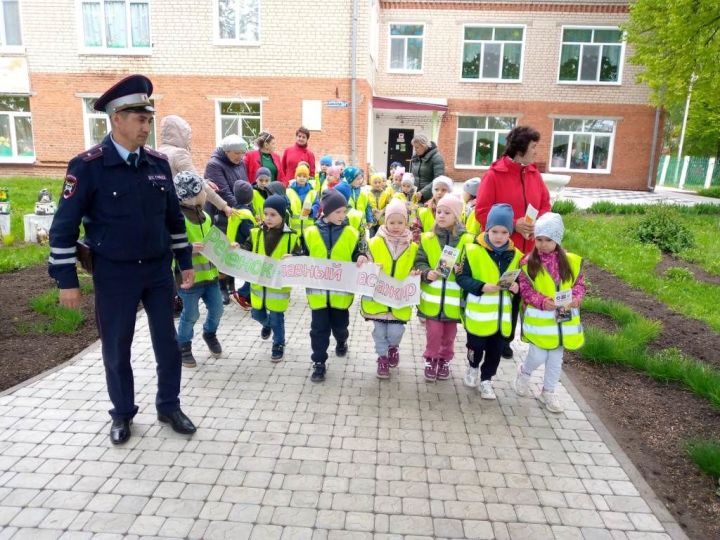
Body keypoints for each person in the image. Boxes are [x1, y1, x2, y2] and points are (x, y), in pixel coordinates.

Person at [48, 74, 196, 445]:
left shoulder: (159, 164)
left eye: (149, 119)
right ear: (116, 118)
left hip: (159, 272)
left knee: (168, 344)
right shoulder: (88, 166)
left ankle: (169, 405)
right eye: (140, 119)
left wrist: (185, 261)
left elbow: (174, 220)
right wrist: (66, 281)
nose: (147, 126)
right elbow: (62, 228)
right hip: (114, 274)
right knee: (117, 348)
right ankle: (123, 414)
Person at [475, 125, 552, 360]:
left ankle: (505, 338)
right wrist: (514, 224)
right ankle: (489, 333)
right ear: (520, 148)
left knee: (519, 292)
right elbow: (482, 211)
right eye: (534, 147)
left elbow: (545, 204)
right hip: (500, 248)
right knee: (500, 290)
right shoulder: (495, 174)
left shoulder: (534, 174)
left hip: (528, 248)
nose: (536, 152)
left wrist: (537, 225)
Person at [514, 212, 586, 413]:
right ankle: (524, 373)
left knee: (555, 359)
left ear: (558, 240)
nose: (543, 244)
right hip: (541, 319)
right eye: (539, 239)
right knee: (537, 355)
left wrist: (576, 298)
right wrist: (542, 301)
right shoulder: (528, 263)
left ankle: (548, 392)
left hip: (564, 320)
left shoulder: (571, 262)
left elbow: (579, 285)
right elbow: (526, 289)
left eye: (549, 240)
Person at [457, 204, 522, 399]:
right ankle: (472, 367)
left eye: (504, 232)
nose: (499, 236)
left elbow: (520, 282)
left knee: (495, 352)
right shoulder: (472, 250)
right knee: (475, 347)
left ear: (510, 233)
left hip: (502, 317)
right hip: (479, 315)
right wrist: (482, 287)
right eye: (494, 231)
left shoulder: (516, 255)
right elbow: (462, 278)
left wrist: (517, 288)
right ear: (487, 229)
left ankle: (487, 380)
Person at [304, 189, 368, 382]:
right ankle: (319, 362)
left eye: (344, 211)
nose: (343, 215)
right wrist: (293, 257)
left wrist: (361, 257)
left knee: (340, 326)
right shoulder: (310, 233)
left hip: (341, 294)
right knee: (319, 329)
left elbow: (357, 252)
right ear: (326, 211)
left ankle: (342, 339)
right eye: (338, 212)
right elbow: (302, 254)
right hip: (318, 295)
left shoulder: (351, 233)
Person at [414, 194, 474, 382]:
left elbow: (473, 266)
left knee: (449, 336)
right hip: (432, 301)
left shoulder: (468, 240)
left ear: (457, 216)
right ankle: (431, 359)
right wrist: (426, 273)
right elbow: (420, 261)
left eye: (447, 212)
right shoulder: (428, 238)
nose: (441, 215)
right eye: (439, 211)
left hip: (453, 302)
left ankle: (444, 360)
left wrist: (462, 270)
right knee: (433, 334)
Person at [361, 198, 418, 379]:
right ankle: (382, 357)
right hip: (377, 299)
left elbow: (416, 266)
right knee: (379, 332)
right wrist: (367, 262)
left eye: (400, 222)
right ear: (385, 221)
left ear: (406, 223)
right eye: (391, 222)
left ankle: (393, 347)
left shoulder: (413, 247)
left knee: (395, 332)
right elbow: (365, 261)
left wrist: (416, 273)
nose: (395, 226)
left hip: (399, 300)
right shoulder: (374, 242)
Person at [172, 171, 225, 369]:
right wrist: (188, 248)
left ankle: (209, 333)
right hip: (189, 280)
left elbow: (214, 242)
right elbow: (168, 244)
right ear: (193, 194)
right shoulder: (177, 219)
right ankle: (183, 345)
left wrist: (229, 248)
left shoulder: (207, 217)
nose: (206, 193)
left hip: (210, 276)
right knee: (191, 314)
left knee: (218, 310)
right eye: (204, 190)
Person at [241, 194, 302, 361]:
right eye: (266, 213)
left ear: (283, 216)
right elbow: (245, 248)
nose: (268, 218)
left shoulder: (292, 236)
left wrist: (293, 257)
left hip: (277, 288)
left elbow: (300, 255)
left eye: (273, 214)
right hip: (258, 288)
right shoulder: (255, 233)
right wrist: (236, 247)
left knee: (277, 318)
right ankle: (266, 324)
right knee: (256, 314)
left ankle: (278, 343)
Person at [158, 115, 237, 219]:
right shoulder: (179, 154)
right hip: (184, 210)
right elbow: (198, 184)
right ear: (181, 134)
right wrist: (224, 206)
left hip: (164, 209)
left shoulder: (159, 151)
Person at [204, 134, 250, 304]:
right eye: (236, 153)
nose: (240, 156)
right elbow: (223, 191)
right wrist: (240, 209)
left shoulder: (240, 163)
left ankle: (231, 284)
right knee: (222, 250)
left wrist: (247, 207)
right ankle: (221, 286)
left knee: (233, 248)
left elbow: (244, 185)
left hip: (236, 212)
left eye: (242, 153)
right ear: (227, 151)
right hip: (221, 213)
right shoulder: (214, 165)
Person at [226, 181, 257, 310]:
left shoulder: (235, 211)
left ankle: (246, 296)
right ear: (250, 197)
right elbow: (250, 233)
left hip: (234, 247)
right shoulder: (245, 214)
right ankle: (242, 295)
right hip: (244, 248)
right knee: (254, 274)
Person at [412, 175, 453, 242]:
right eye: (436, 189)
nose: (439, 192)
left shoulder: (455, 211)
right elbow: (415, 231)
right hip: (426, 249)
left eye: (444, 190)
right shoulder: (423, 211)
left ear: (450, 192)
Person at [409, 133, 445, 203]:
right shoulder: (415, 156)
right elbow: (413, 175)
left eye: (417, 147)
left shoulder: (437, 158)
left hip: (430, 197)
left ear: (424, 146)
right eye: (414, 147)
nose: (415, 150)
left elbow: (438, 180)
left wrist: (423, 193)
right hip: (416, 195)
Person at [287, 162, 317, 235]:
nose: (302, 178)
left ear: (307, 178)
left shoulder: (312, 192)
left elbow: (317, 204)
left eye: (304, 176)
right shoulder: (289, 191)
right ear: (295, 177)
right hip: (293, 228)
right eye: (299, 176)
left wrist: (312, 210)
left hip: (308, 228)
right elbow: (286, 204)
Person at [366, 172, 392, 237]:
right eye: (375, 182)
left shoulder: (385, 194)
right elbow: (366, 205)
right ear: (371, 183)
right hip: (371, 219)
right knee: (371, 236)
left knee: (380, 236)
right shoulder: (367, 194)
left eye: (379, 182)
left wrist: (382, 211)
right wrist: (371, 210)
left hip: (382, 219)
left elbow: (389, 205)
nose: (377, 184)